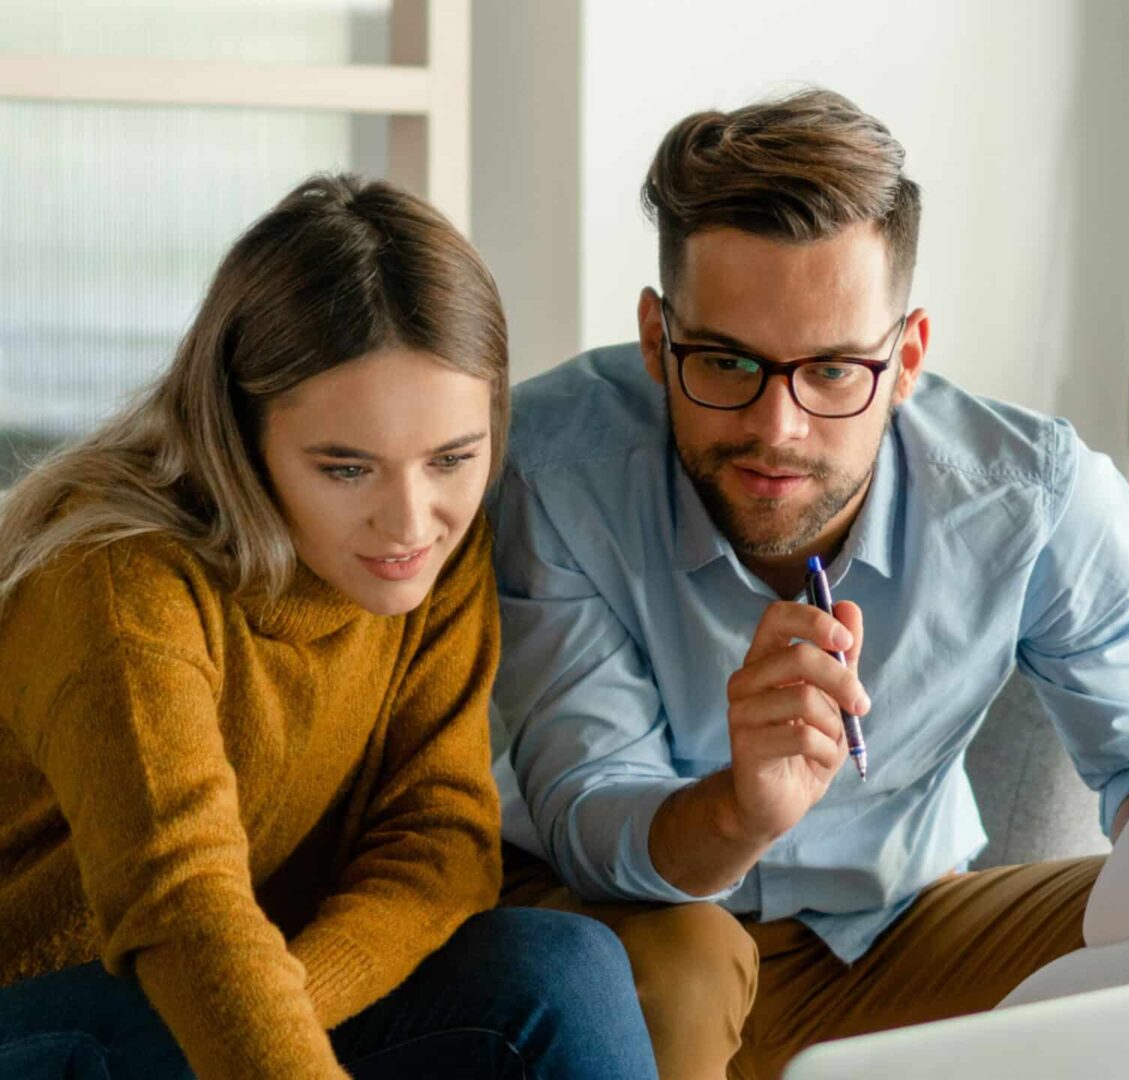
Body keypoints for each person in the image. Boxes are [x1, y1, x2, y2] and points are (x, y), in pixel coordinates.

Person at [490, 89, 1129, 1080]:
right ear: (659, 341)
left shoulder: (1034, 495)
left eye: (833, 371)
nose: (779, 427)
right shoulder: (550, 471)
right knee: (684, 968)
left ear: (906, 356)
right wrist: (744, 807)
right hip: (634, 926)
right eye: (728, 361)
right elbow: (588, 813)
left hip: (895, 933)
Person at [0, 175, 656, 1080]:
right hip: (58, 1009)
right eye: (346, 469)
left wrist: (294, 1000)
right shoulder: (119, 579)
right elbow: (184, 910)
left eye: (453, 459)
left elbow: (440, 843)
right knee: (181, 998)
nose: (410, 520)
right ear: (238, 429)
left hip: (244, 988)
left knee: (559, 970)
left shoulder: (433, 553)